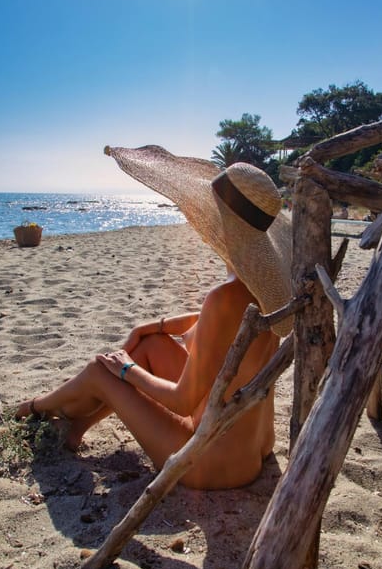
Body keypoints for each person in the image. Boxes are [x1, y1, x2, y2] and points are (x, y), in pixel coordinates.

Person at [15, 147, 292, 490]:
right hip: (251, 452)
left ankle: (32, 409)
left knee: (102, 370)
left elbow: (181, 400)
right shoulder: (259, 295)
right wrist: (154, 327)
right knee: (148, 346)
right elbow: (213, 324)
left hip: (211, 463)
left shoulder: (223, 299)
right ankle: (73, 429)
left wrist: (125, 371)